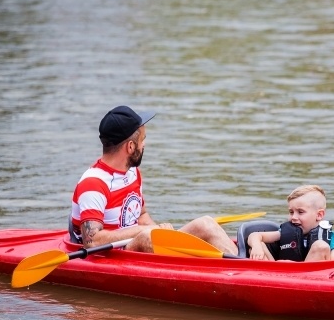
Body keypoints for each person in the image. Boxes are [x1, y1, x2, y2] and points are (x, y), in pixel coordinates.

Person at [70, 105, 238, 254]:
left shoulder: (132, 172)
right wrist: (147, 231)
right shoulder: (93, 183)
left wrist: (160, 231)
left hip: (139, 243)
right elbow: (92, 241)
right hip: (114, 254)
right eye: (142, 140)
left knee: (206, 224)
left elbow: (141, 215)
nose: (144, 145)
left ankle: (244, 267)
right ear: (130, 146)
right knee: (147, 236)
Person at [247, 185, 334, 261]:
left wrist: (289, 264)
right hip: (278, 273)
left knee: (320, 246)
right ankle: (268, 279)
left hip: (312, 276)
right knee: (257, 245)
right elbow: (255, 235)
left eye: (300, 212)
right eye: (291, 212)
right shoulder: (284, 232)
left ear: (319, 215)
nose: (294, 217)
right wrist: (257, 247)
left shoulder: (333, 238)